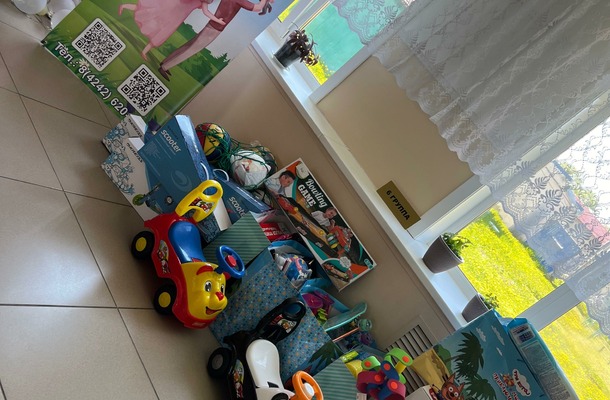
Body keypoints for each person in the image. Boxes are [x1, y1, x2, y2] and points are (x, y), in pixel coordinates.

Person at [157, 0, 272, 79]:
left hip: (212, 25)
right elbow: (257, 8)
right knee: (192, 49)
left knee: (190, 45)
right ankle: (165, 67)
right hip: (216, 28)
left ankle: (166, 61)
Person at [118, 0, 226, 61]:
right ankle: (124, 6)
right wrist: (217, 20)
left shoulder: (204, 2)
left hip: (175, 16)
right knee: (150, 10)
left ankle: (144, 51)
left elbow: (206, 12)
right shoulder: (204, 2)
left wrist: (217, 20)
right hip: (169, 6)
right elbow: (205, 11)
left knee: (163, 33)